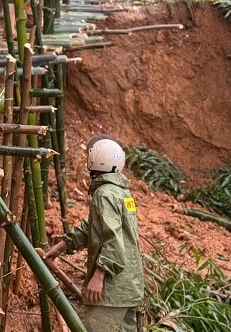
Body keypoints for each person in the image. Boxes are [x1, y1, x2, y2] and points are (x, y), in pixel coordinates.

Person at [44, 135, 143, 332]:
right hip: (130, 287)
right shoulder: (122, 193)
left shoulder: (104, 194)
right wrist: (63, 245)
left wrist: (98, 277)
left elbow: (113, 240)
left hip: (111, 290)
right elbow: (94, 226)